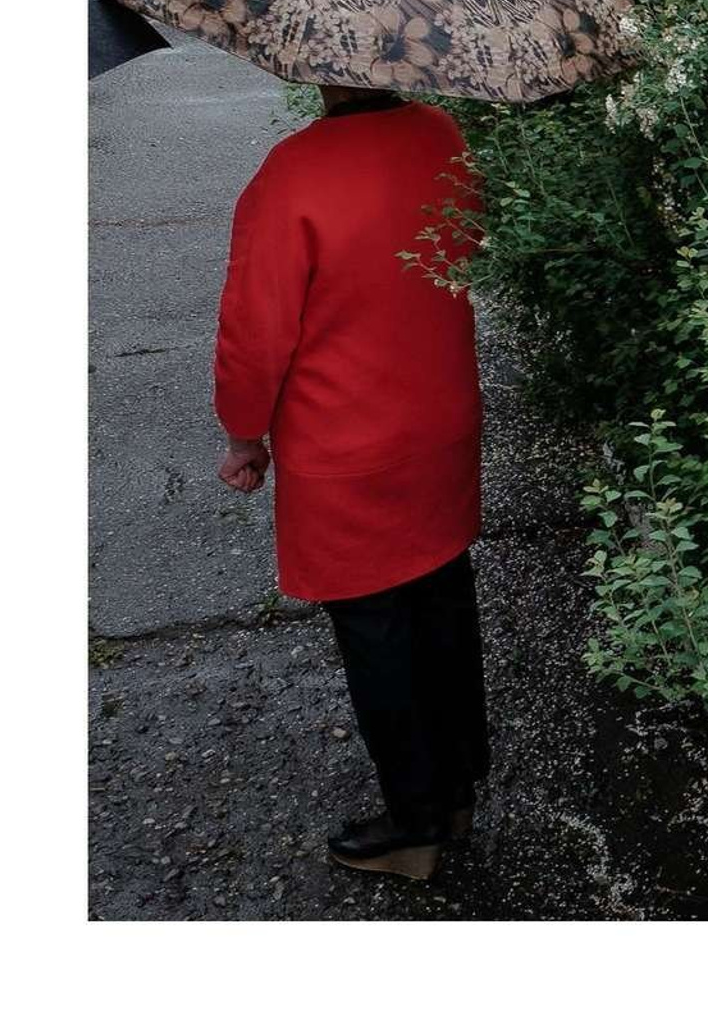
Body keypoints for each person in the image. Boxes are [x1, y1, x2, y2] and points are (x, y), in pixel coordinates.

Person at [214, 85, 489, 882]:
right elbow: (461, 246)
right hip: (439, 421)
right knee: (442, 597)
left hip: (348, 446)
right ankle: (459, 784)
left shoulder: (293, 174)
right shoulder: (441, 135)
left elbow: (255, 332)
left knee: (377, 628)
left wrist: (244, 431)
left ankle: (415, 823)